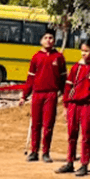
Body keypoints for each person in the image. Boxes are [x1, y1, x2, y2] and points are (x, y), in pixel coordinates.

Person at [18, 28, 67, 163]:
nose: (48, 40)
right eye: (46, 38)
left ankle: (46, 152)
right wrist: (24, 96)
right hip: (37, 94)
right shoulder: (36, 57)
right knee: (36, 124)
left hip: (51, 94)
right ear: (41, 40)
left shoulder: (59, 57)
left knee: (48, 124)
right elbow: (30, 79)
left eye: (51, 38)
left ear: (54, 40)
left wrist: (65, 97)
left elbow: (63, 79)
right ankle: (34, 151)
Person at [56, 36, 90, 176]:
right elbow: (68, 87)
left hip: (88, 105)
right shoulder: (76, 66)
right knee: (72, 134)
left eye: (86, 51)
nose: (83, 54)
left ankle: (84, 163)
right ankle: (70, 161)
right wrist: (65, 105)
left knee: (87, 135)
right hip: (73, 105)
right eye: (82, 51)